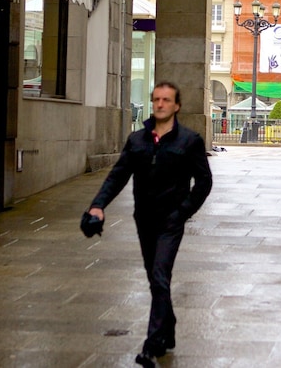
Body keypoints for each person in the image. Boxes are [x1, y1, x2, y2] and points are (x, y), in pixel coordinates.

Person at [85, 81, 213, 366]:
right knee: (156, 279)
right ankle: (168, 328)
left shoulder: (189, 141)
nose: (160, 104)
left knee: (159, 275)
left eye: (166, 100)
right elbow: (117, 176)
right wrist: (98, 205)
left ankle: (151, 346)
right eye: (156, 99)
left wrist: (183, 212)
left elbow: (204, 181)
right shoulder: (137, 140)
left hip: (171, 221)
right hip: (144, 219)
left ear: (177, 106)